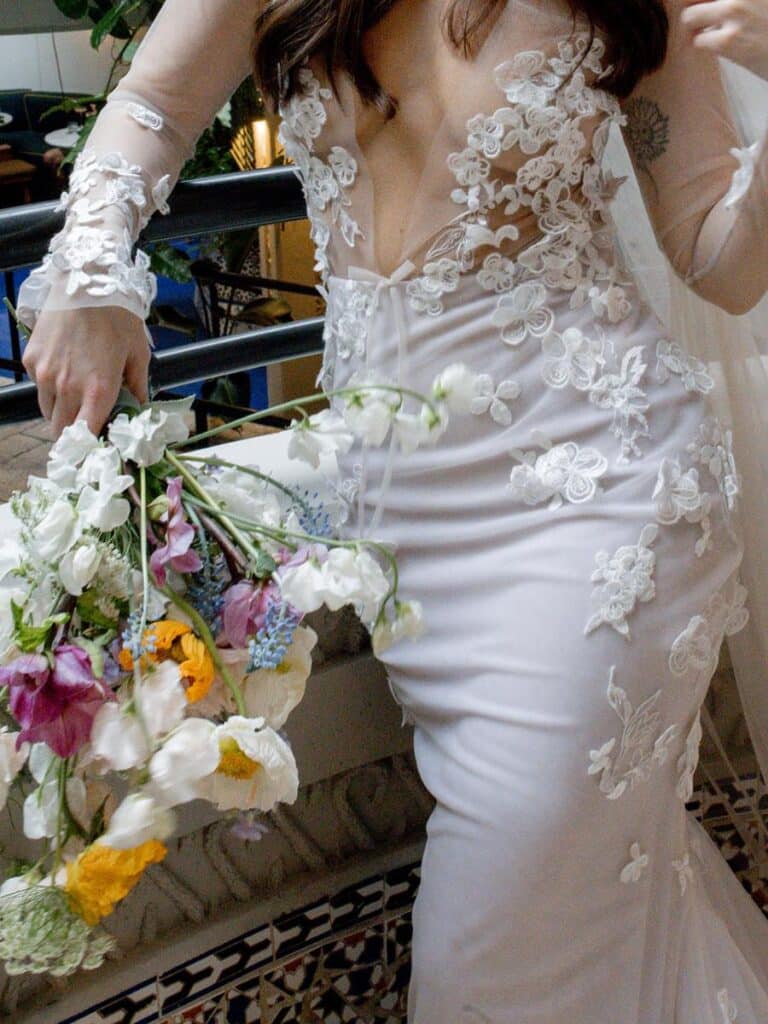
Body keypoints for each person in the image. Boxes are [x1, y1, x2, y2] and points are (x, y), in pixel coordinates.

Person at [13, 1, 768, 1020]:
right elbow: (154, 101)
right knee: (587, 894)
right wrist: (94, 274)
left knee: (494, 946)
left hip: (603, 506)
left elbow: (721, 258)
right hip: (402, 526)